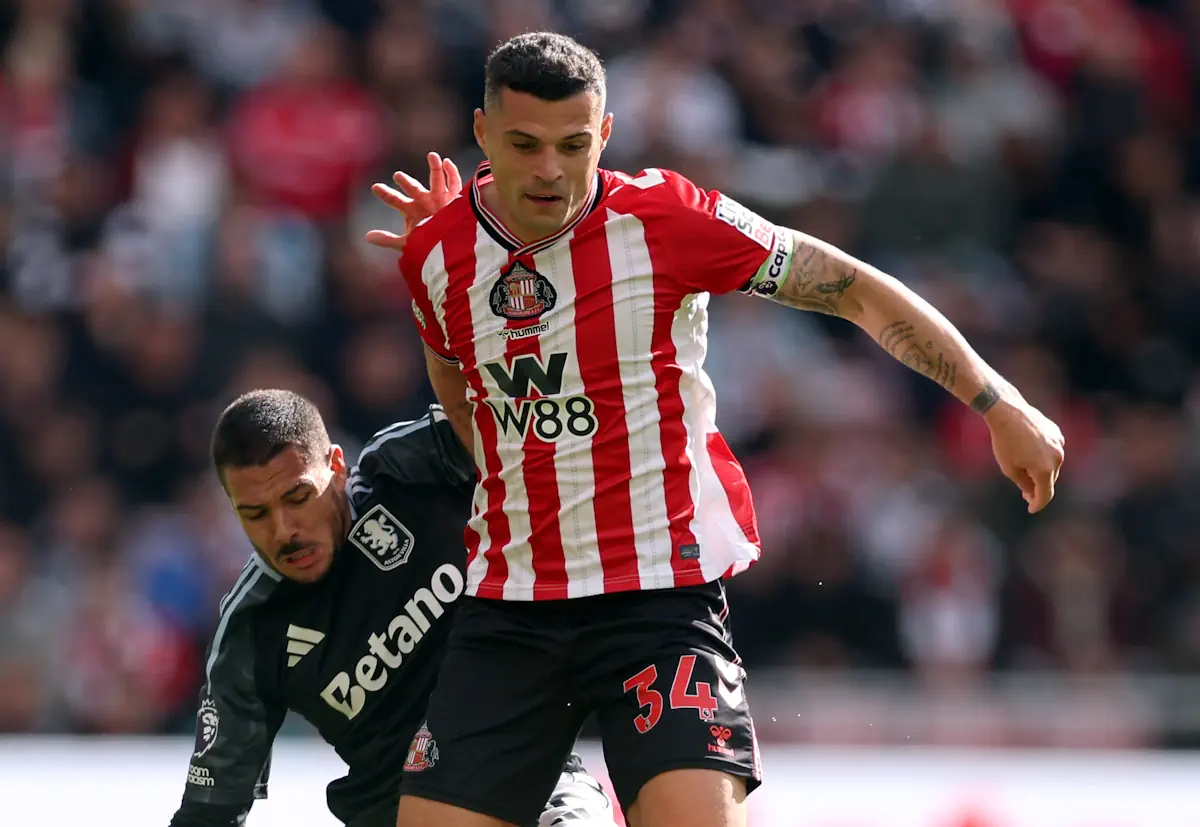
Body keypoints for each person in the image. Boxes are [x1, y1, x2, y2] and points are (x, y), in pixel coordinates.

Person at [366, 31, 1065, 827]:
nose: (551, 170)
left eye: (573, 144)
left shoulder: (664, 218)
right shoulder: (436, 252)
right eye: (525, 144)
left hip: (657, 601)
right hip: (511, 603)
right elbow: (454, 380)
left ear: (605, 134)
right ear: (484, 133)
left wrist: (996, 401)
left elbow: (851, 288)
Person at [167, 389, 616, 827]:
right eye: (255, 514)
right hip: (394, 811)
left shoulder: (411, 467)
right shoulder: (250, 627)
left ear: (337, 467)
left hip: (535, 779)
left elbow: (543, 441)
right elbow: (210, 811)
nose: (284, 530)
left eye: (298, 498)